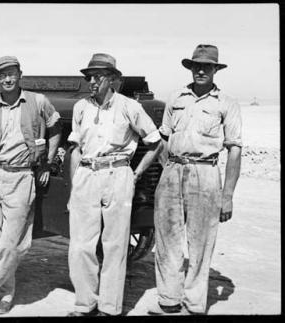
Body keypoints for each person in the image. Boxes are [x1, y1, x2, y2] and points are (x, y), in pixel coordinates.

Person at [67, 53, 162, 316]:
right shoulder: (81, 107)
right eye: (89, 77)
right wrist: (76, 184)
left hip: (118, 174)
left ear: (113, 80)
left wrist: (135, 174)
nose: (92, 81)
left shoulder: (129, 106)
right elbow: (75, 149)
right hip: (87, 174)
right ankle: (85, 304)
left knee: (115, 245)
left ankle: (110, 308)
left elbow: (155, 143)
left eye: (98, 76)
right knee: (80, 246)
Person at [149, 44, 242, 315]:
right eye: (196, 65)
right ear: (190, 68)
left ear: (215, 69)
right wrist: (168, 168)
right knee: (167, 238)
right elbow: (164, 138)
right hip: (173, 171)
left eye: (207, 66)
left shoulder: (227, 104)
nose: (201, 70)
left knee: (201, 241)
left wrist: (227, 195)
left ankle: (194, 303)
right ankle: (168, 299)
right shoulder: (175, 97)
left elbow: (234, 149)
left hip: (206, 173)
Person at [0, 56, 61, 314]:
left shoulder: (37, 101)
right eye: (1, 75)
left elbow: (56, 127)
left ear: (20, 74)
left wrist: (47, 163)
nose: (7, 79)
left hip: (22, 177)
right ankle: (4, 291)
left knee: (13, 242)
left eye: (11, 73)